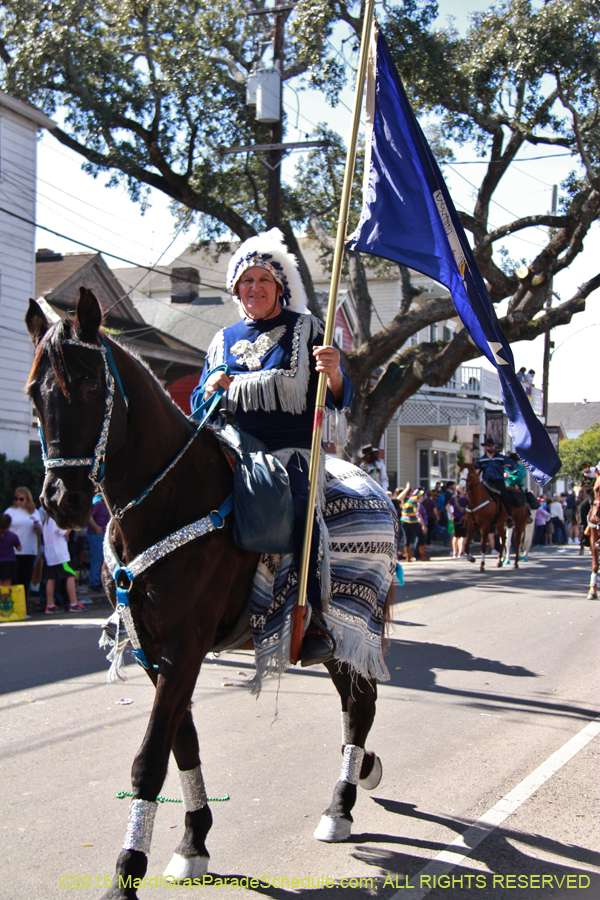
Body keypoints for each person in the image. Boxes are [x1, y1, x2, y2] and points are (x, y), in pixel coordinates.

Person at [191, 229, 353, 667]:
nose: (255, 288)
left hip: (288, 454)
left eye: (264, 280)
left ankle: (315, 616)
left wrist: (334, 372)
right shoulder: (221, 339)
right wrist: (209, 386)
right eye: (246, 281)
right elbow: (198, 408)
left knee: (301, 510)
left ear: (280, 287)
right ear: (235, 289)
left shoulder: (305, 329)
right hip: (233, 449)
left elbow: (340, 394)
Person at [3, 487, 43, 599]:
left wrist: (38, 527)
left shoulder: (34, 512)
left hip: (29, 550)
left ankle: (23, 605)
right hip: (13, 552)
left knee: (25, 579)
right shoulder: (10, 512)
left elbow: (40, 532)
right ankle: (13, 605)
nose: (18, 502)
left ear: (27, 499)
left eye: (21, 499)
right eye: (16, 499)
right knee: (13, 579)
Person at [42, 515, 84, 613]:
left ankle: (49, 604)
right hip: (60, 555)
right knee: (71, 574)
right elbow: (64, 532)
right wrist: (71, 524)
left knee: (51, 578)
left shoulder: (47, 520)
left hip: (50, 554)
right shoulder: (56, 518)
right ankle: (73, 603)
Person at [475, 437, 517, 524]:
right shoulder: (482, 459)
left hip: (498, 481)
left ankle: (509, 516)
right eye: (489, 446)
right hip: (486, 482)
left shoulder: (501, 458)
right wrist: (476, 471)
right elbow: (477, 469)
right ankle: (473, 515)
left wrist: (509, 465)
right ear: (486, 447)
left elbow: (513, 464)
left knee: (505, 496)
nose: (491, 448)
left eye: (492, 446)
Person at [87, 496, 110, 591]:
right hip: (96, 534)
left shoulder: (101, 503)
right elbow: (89, 515)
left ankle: (99, 580)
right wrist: (96, 527)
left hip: (101, 534)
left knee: (101, 558)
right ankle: (94, 582)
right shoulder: (97, 503)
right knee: (97, 558)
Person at [401, 489, 427, 562]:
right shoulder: (414, 501)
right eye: (422, 495)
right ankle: (423, 556)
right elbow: (417, 514)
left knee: (407, 538)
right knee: (421, 537)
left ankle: (408, 558)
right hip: (412, 521)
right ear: (419, 496)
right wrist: (423, 525)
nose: (422, 497)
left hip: (404, 521)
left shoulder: (407, 500)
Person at [0, 514, 22, 586]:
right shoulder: (13, 536)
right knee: (6, 586)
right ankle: (4, 597)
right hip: (9, 563)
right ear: (10, 524)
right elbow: (19, 548)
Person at [447, 487, 468, 558]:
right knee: (463, 536)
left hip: (455, 519)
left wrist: (451, 514)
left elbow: (447, 507)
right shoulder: (465, 499)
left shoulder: (454, 499)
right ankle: (461, 552)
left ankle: (454, 552)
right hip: (463, 519)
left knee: (455, 536)